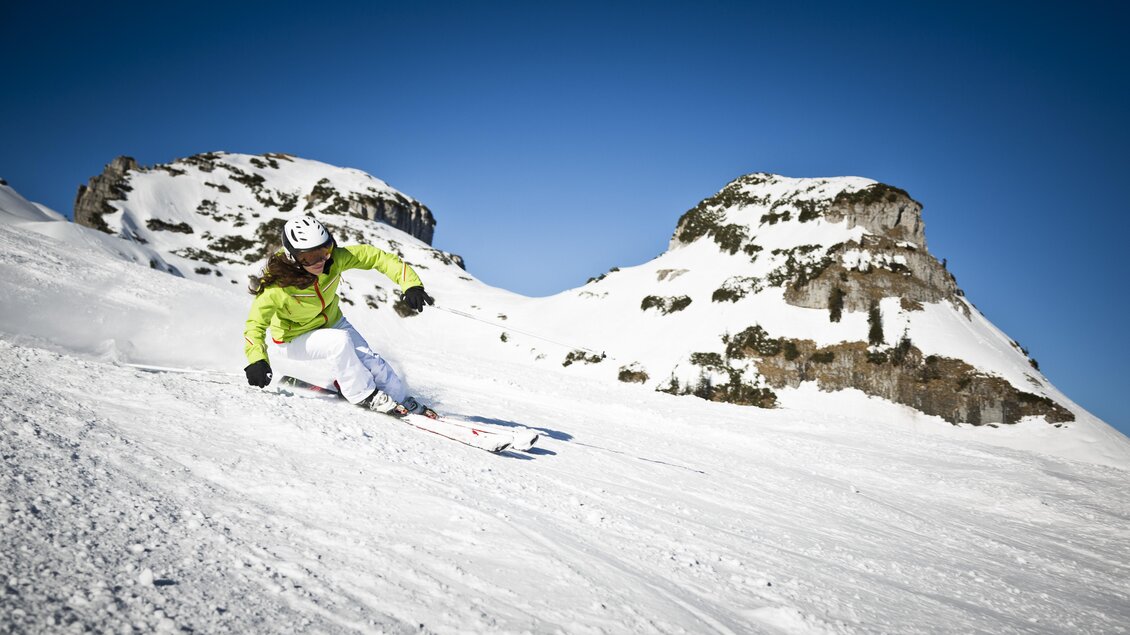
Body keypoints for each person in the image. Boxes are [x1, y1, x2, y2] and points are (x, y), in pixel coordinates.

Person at [242, 216, 436, 417]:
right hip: (292, 338)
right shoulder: (277, 286)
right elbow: (255, 325)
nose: (320, 261)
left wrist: (411, 284)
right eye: (309, 257)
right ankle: (361, 394)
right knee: (339, 342)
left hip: (332, 321)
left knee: (373, 362)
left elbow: (378, 258)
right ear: (293, 257)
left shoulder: (335, 259)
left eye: (324, 251)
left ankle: (400, 398)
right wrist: (257, 360)